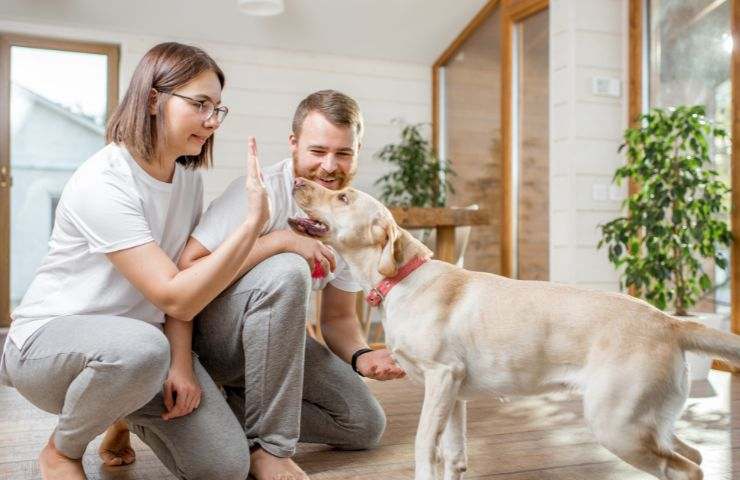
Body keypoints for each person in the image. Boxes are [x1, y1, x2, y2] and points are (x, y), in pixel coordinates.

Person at [0, 42, 269, 480]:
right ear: (152, 99)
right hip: (47, 347)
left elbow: (183, 278)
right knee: (141, 348)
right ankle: (62, 449)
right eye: (200, 104)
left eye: (218, 109)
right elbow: (174, 295)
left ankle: (119, 414)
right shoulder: (103, 181)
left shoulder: (188, 182)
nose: (211, 120)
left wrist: (182, 363)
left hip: (140, 354)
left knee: (225, 468)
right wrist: (254, 224)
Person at [176, 89, 406, 479]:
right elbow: (188, 267)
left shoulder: (347, 218)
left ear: (358, 151)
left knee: (363, 423)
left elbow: (337, 318)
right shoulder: (260, 191)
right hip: (215, 342)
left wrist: (361, 356)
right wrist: (281, 241)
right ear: (294, 143)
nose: (329, 166)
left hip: (277, 349)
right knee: (288, 267)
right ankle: (270, 447)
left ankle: (225, 408)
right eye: (318, 151)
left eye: (343, 153)